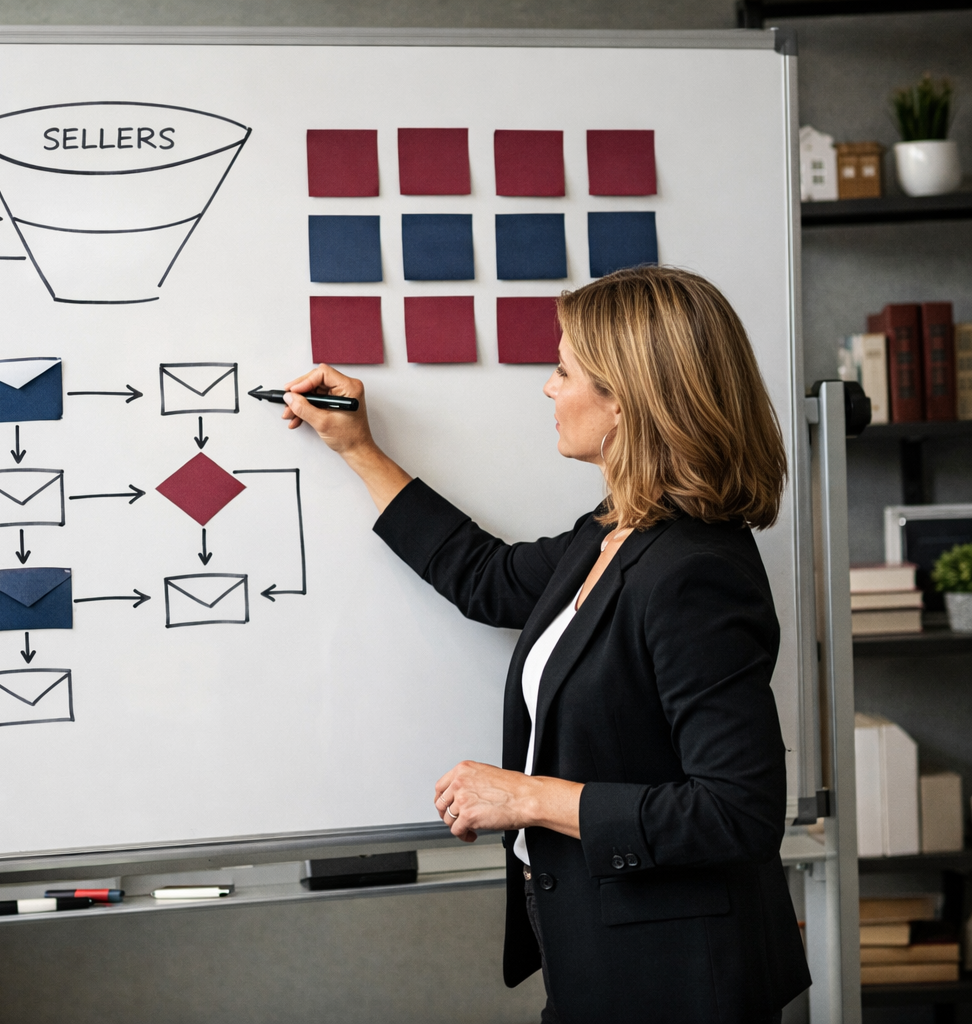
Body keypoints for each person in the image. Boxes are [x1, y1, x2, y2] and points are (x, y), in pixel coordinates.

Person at [280, 266, 810, 1022]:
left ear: (626, 401)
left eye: (564, 370)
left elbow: (737, 812)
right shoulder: (617, 533)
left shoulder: (694, 573)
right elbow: (486, 577)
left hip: (681, 982)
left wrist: (525, 797)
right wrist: (359, 449)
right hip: (602, 953)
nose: (548, 389)